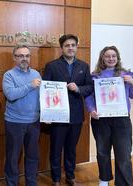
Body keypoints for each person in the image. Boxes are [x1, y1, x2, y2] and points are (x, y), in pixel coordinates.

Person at [42, 34, 93, 186]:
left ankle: (70, 177)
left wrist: (78, 88)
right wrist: (46, 113)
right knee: (56, 149)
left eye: (73, 45)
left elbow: (89, 87)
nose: (70, 48)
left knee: (71, 149)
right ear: (62, 48)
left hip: (76, 115)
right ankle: (56, 179)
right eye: (67, 45)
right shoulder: (52, 66)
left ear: (76, 47)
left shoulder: (84, 66)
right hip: (57, 115)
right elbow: (45, 91)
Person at [85, 46, 133, 186]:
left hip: (121, 120)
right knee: (102, 152)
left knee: (123, 155)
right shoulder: (95, 75)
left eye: (113, 56)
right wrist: (91, 110)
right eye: (107, 56)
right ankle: (104, 180)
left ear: (117, 58)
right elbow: (89, 97)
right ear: (102, 58)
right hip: (100, 119)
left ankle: (124, 183)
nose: (111, 59)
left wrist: (132, 82)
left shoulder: (125, 74)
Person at [3, 45, 41, 186]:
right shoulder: (9, 75)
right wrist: (30, 85)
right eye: (20, 56)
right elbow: (11, 95)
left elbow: (40, 97)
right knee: (13, 157)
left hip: (34, 122)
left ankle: (31, 182)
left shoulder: (36, 74)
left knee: (32, 156)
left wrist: (45, 114)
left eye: (27, 55)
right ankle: (12, 183)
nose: (24, 58)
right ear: (15, 58)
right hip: (14, 123)